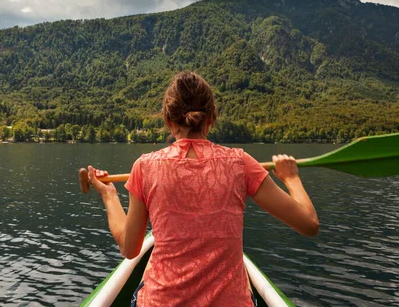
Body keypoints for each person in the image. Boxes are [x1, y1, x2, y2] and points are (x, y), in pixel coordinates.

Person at [87, 71, 319, 306]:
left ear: (168, 120)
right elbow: (308, 224)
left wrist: (109, 195)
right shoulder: (241, 163)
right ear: (212, 117)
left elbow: (129, 249)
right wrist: (290, 178)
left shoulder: (144, 167)